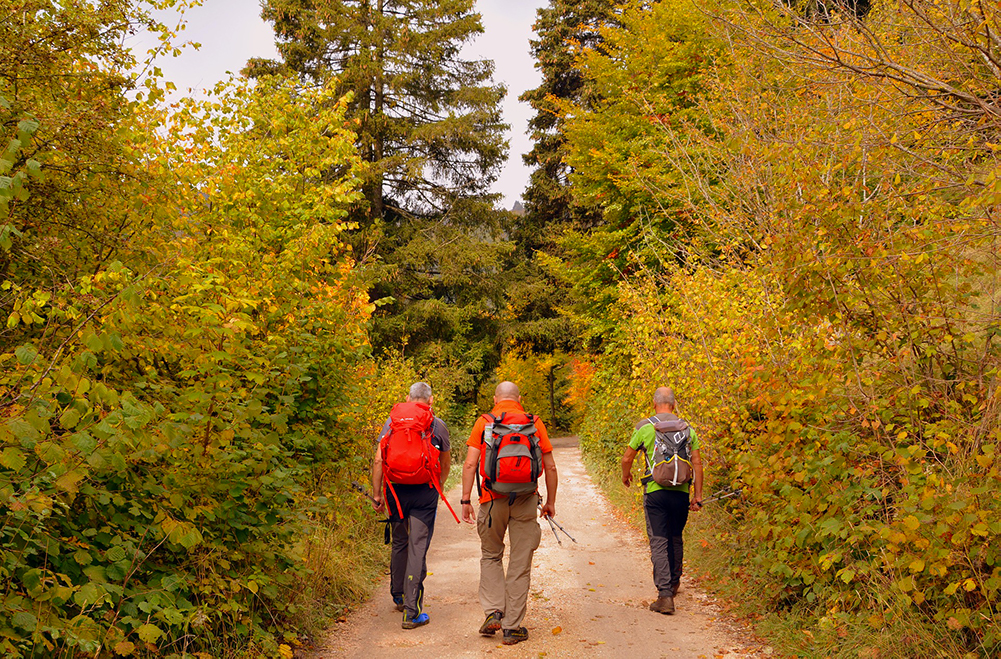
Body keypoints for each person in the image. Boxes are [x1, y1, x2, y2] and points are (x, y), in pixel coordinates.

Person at [460, 381, 558, 646]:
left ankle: (494, 610)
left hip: (492, 500)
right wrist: (550, 502)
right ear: (520, 398)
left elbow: (470, 464)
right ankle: (513, 627)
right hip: (526, 500)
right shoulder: (534, 423)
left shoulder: (485, 422)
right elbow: (549, 467)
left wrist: (465, 499)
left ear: (495, 399)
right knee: (519, 562)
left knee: (491, 555)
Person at [372, 382, 451, 629]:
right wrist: (437, 485)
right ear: (431, 400)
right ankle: (412, 611)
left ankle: (398, 595)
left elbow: (378, 461)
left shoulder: (392, 422)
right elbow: (446, 464)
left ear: (407, 397)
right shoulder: (437, 425)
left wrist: (377, 494)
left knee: (399, 541)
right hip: (424, 492)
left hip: (395, 489)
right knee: (417, 547)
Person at [621, 386, 704, 615]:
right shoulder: (688, 429)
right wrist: (697, 495)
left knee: (659, 540)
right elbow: (697, 464)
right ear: (674, 404)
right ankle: (674, 582)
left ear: (654, 403)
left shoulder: (645, 427)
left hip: (655, 492)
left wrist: (625, 475)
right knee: (675, 537)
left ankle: (665, 595)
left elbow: (628, 457)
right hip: (681, 491)